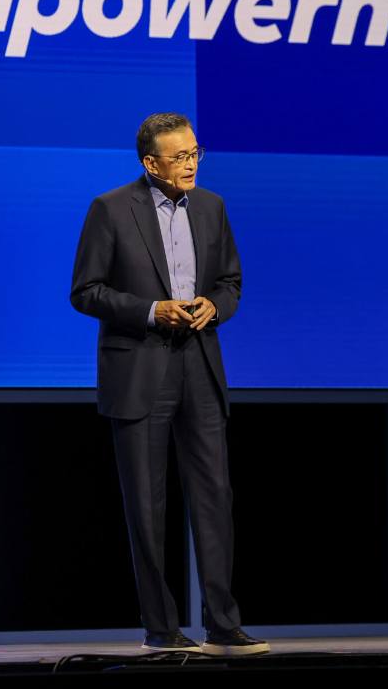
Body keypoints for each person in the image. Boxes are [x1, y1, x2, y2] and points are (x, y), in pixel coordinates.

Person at [69, 112, 268, 656]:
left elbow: (230, 282)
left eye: (195, 153)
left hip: (199, 364)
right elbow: (85, 290)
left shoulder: (211, 207)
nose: (191, 164)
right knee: (147, 503)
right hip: (139, 366)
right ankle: (161, 629)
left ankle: (223, 624)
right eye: (179, 157)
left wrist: (214, 306)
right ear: (150, 163)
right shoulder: (111, 208)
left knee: (214, 495)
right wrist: (152, 310)